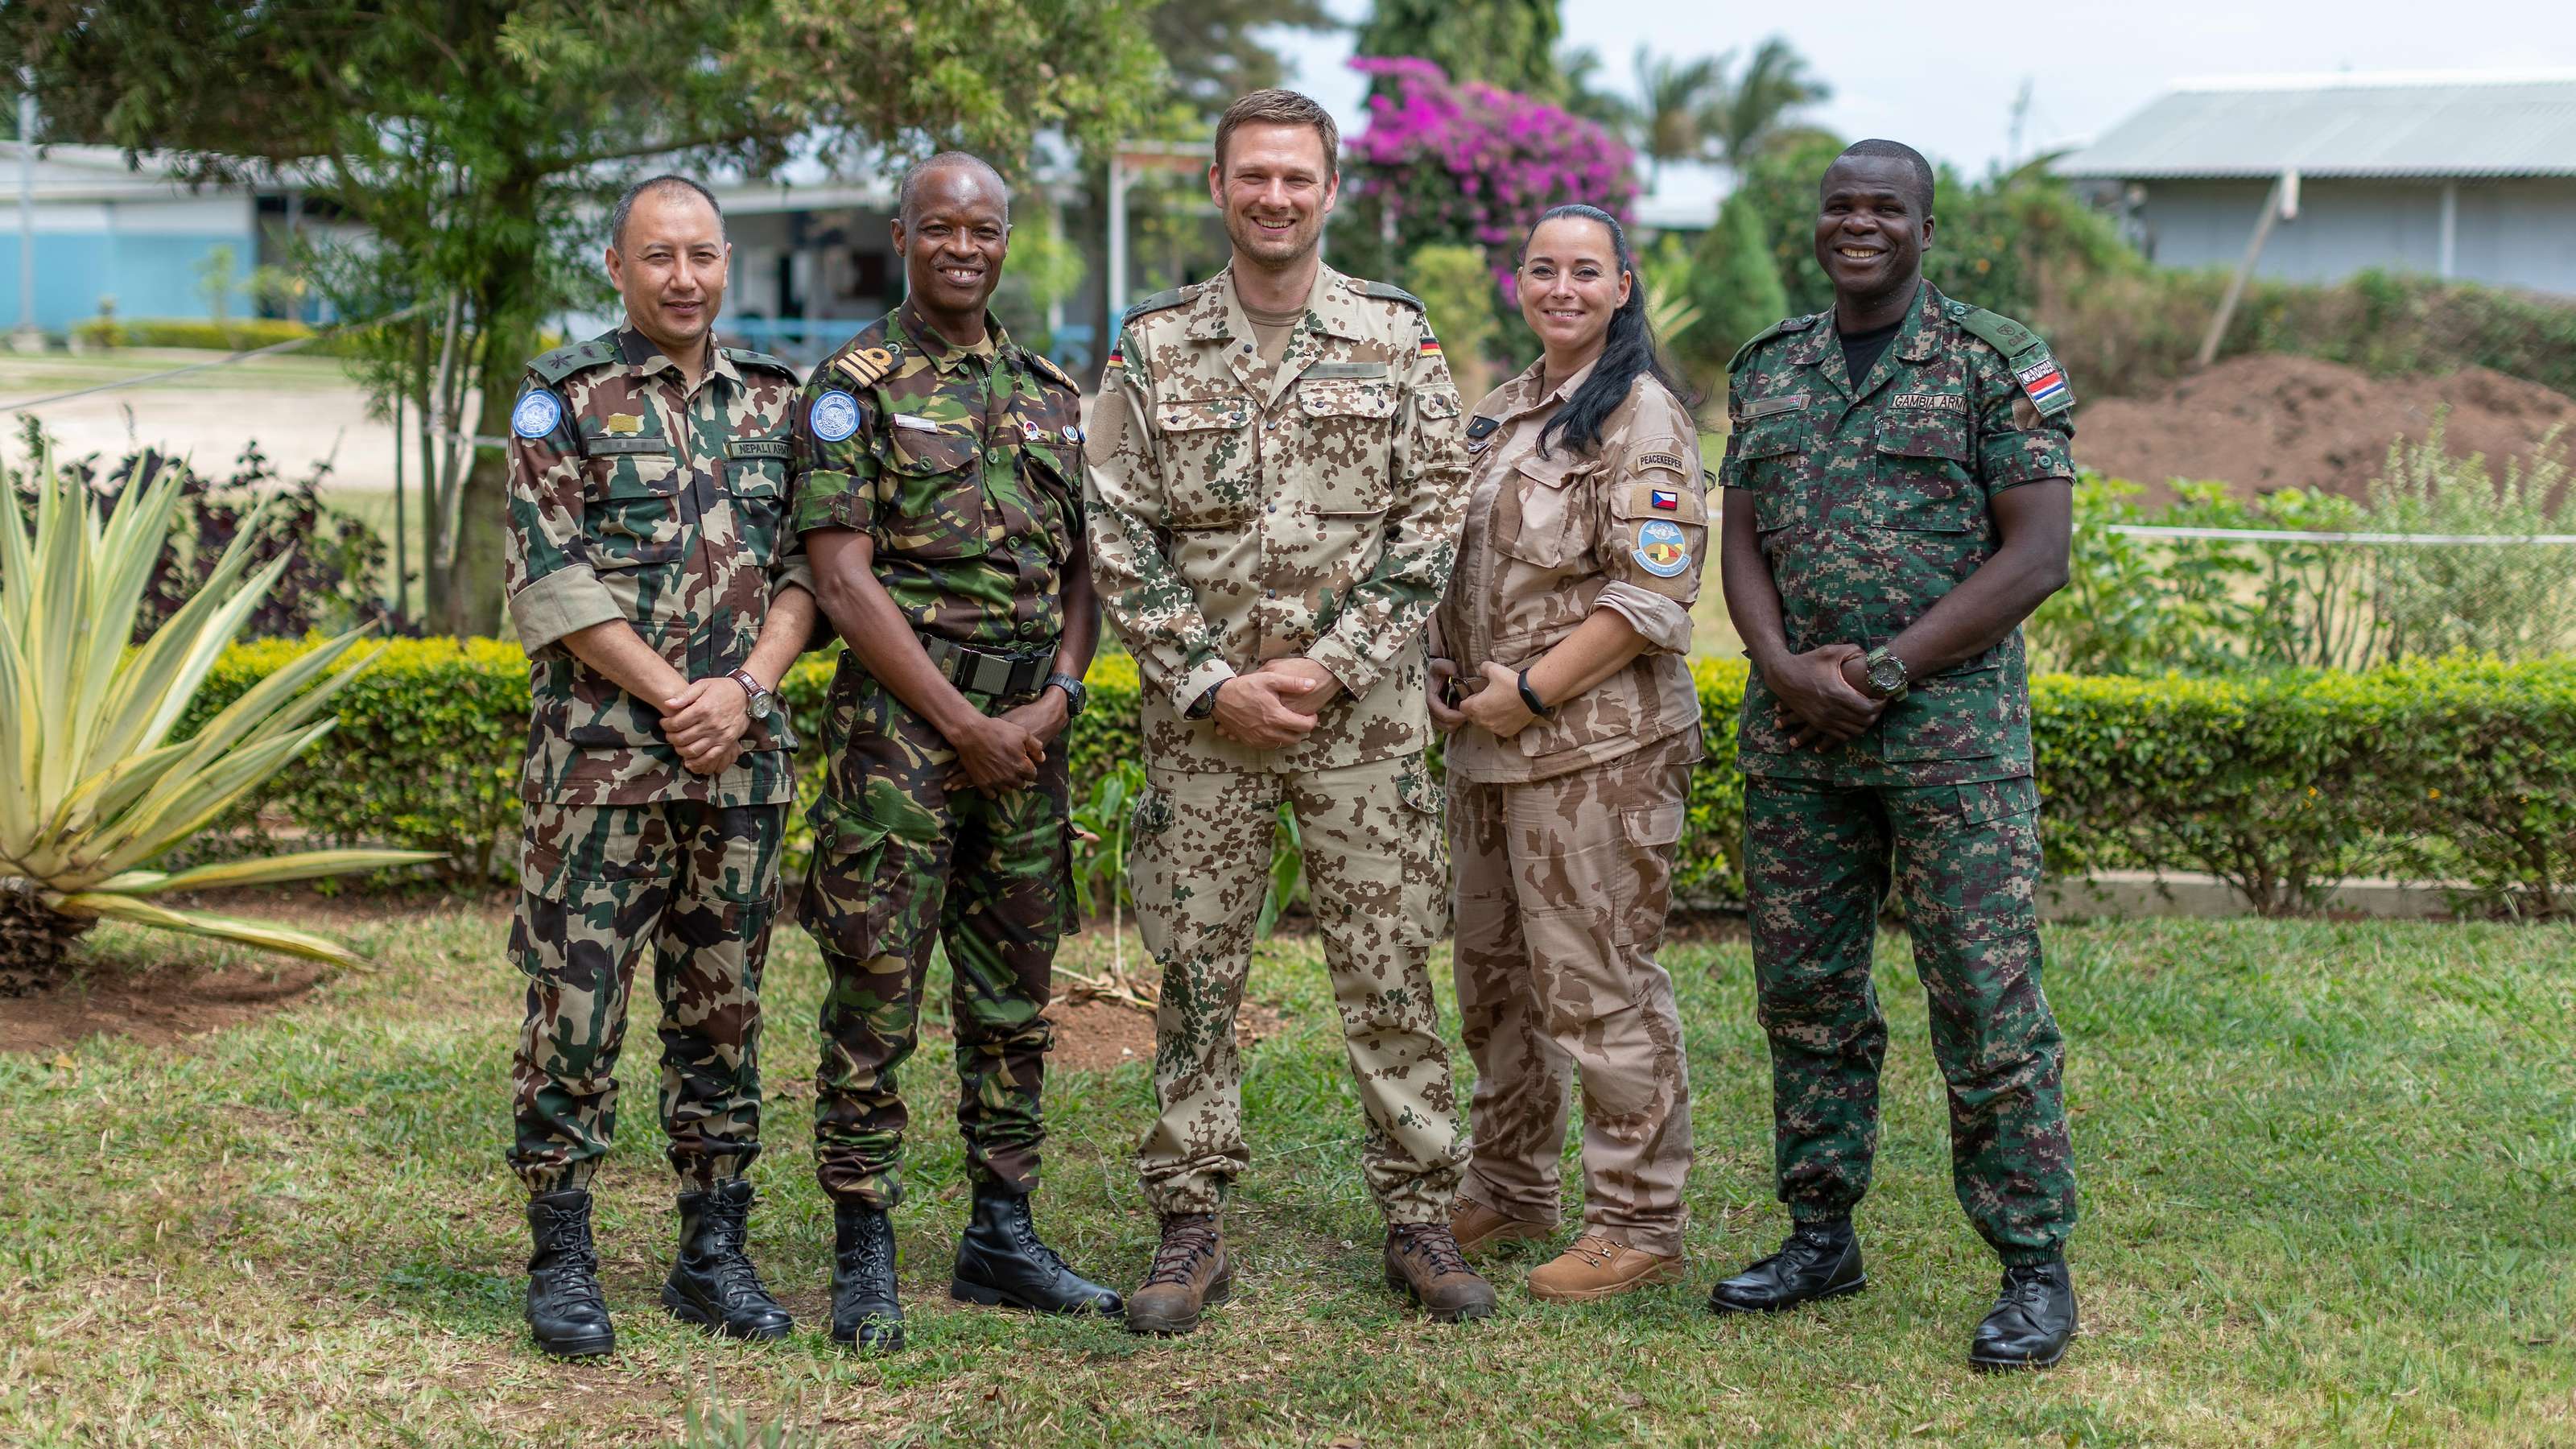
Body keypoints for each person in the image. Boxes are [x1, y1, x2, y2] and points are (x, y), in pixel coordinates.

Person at [1085, 88, 1493, 1334]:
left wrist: (1335, 662)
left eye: (1295, 178)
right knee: (1197, 968)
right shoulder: (1151, 348)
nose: (1274, 197)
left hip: (1360, 727)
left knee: (1387, 967)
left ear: (1330, 188)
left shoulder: (1394, 336)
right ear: (1218, 188)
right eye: (1251, 176)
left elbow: (1435, 514)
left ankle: (1420, 1216)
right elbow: (1115, 525)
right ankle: (1190, 1223)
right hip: (1204, 730)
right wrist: (1211, 681)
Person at [1711, 138, 2081, 1369]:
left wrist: (1881, 670)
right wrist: (1777, 666)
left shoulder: (1993, 361)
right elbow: (1744, 540)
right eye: (1839, 207)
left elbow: (2035, 556)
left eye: (1885, 208)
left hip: (1949, 743)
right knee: (1807, 997)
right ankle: (1822, 1234)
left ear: (1925, 225)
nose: (1858, 224)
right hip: (1798, 741)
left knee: (1984, 1004)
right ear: (1815, 224)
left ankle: (2033, 1266)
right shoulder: (1768, 369)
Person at [790, 151, 1120, 1353]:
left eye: (984, 229)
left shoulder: (1050, 391)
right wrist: (964, 726)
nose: (964, 247)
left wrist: (1060, 699)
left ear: (1006, 240)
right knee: (876, 990)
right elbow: (838, 573)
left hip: (1028, 736)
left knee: (1014, 996)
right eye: (941, 228)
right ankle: (863, 1242)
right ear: (902, 237)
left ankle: (1000, 1234)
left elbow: (1088, 569)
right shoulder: (853, 388)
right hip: (901, 741)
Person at [501, 174, 815, 1357]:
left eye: (701, 256)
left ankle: (712, 1252)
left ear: (727, 261)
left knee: (724, 1012)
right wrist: (681, 696)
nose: (682, 278)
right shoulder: (563, 398)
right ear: (617, 269)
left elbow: (807, 574)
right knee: (576, 1011)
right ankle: (565, 1254)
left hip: (740, 766)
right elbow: (555, 576)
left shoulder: (781, 402)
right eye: (657, 257)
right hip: (602, 769)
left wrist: (748, 691)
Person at [1426, 204, 1709, 1302]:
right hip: (1492, 754)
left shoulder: (1643, 419)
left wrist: (1532, 692)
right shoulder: (1501, 414)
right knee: (1496, 985)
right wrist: (1458, 675)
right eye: (1543, 269)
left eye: (1586, 271)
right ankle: (1511, 1184)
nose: (1562, 287)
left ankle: (1638, 1219)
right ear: (1520, 283)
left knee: (1598, 985)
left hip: (1599, 753)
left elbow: (1652, 593)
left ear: (1623, 286)